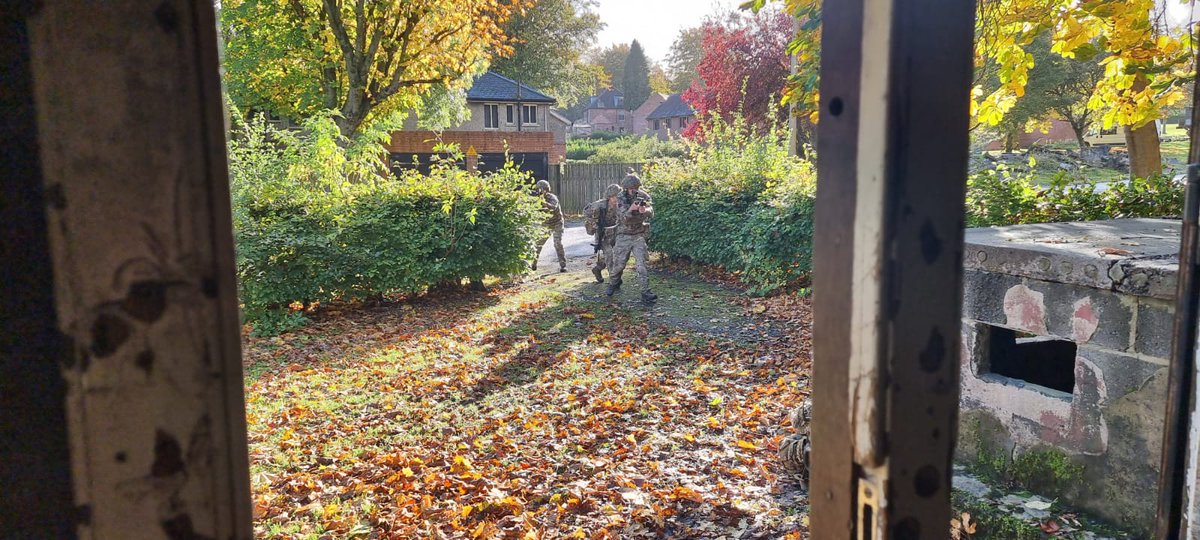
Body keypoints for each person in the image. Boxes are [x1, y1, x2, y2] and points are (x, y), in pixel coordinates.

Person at [606, 174, 656, 302]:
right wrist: (631, 210)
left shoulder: (643, 196)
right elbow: (624, 218)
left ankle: (645, 291)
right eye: (630, 188)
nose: (633, 190)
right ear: (625, 188)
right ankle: (613, 283)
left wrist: (645, 210)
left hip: (638, 235)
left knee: (641, 264)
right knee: (618, 265)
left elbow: (651, 211)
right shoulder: (620, 198)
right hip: (624, 236)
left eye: (635, 188)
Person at [584, 184, 622, 284]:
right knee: (609, 255)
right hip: (603, 235)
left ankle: (597, 269)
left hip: (616, 233)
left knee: (616, 256)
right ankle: (614, 280)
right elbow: (587, 212)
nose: (617, 199)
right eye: (615, 197)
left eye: (618, 196)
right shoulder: (599, 205)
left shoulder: (621, 204)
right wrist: (594, 225)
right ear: (609, 197)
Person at [532, 179, 566, 272]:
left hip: (557, 223)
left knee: (557, 243)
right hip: (546, 224)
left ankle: (563, 265)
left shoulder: (552, 197)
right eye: (539, 189)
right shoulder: (536, 199)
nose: (541, 191)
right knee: (538, 244)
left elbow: (553, 207)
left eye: (543, 189)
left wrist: (543, 202)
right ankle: (533, 265)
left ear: (547, 189)